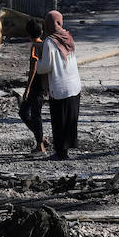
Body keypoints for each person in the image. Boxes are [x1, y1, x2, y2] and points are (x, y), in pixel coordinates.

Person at [40, 11, 81, 160]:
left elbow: (45, 67)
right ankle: (67, 148)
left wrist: (36, 64)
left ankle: (61, 152)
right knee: (70, 119)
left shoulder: (49, 42)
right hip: (74, 85)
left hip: (60, 87)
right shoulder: (68, 37)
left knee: (58, 121)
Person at [19, 20, 49, 154]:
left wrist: (28, 88)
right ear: (41, 32)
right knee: (27, 113)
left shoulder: (34, 47)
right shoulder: (45, 45)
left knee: (32, 114)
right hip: (42, 84)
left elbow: (34, 69)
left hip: (36, 86)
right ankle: (41, 138)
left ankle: (40, 144)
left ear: (27, 33)